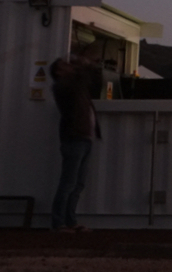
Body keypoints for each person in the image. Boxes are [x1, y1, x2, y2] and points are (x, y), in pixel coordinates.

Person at [49, 54, 101, 232]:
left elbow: (90, 77)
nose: (69, 67)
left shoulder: (72, 85)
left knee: (77, 184)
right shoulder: (63, 86)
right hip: (75, 138)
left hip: (84, 138)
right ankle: (59, 223)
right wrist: (82, 64)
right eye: (65, 66)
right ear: (59, 72)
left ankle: (70, 221)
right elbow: (85, 77)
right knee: (69, 183)